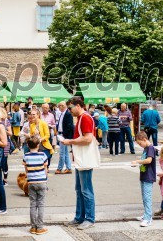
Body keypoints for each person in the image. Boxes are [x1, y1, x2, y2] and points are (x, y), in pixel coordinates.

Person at [63, 97, 96, 230]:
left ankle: (89, 218)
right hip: (81, 158)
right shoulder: (83, 117)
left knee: (85, 189)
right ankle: (80, 217)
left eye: (70, 108)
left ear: (78, 106)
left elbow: (88, 139)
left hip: (84, 159)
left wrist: (70, 141)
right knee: (80, 189)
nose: (69, 111)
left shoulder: (85, 118)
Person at [23, 136, 49, 235]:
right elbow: (46, 169)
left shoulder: (26, 156)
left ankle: (33, 227)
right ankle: (40, 227)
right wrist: (45, 179)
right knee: (41, 204)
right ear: (38, 145)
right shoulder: (43, 155)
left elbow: (26, 170)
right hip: (41, 182)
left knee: (33, 204)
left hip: (31, 182)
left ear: (28, 145)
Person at [132, 131, 156, 227]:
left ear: (144, 139)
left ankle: (148, 218)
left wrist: (137, 161)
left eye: (140, 143)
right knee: (144, 197)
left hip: (148, 176)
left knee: (147, 197)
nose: (140, 145)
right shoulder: (146, 148)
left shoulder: (150, 148)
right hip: (144, 175)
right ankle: (146, 215)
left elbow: (149, 160)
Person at [55, 101, 74, 174]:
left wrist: (64, 135)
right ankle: (68, 168)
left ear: (63, 106)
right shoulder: (62, 113)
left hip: (64, 135)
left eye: (60, 106)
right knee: (65, 152)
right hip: (61, 134)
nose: (59, 107)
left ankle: (59, 168)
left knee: (62, 153)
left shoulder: (68, 114)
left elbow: (69, 126)